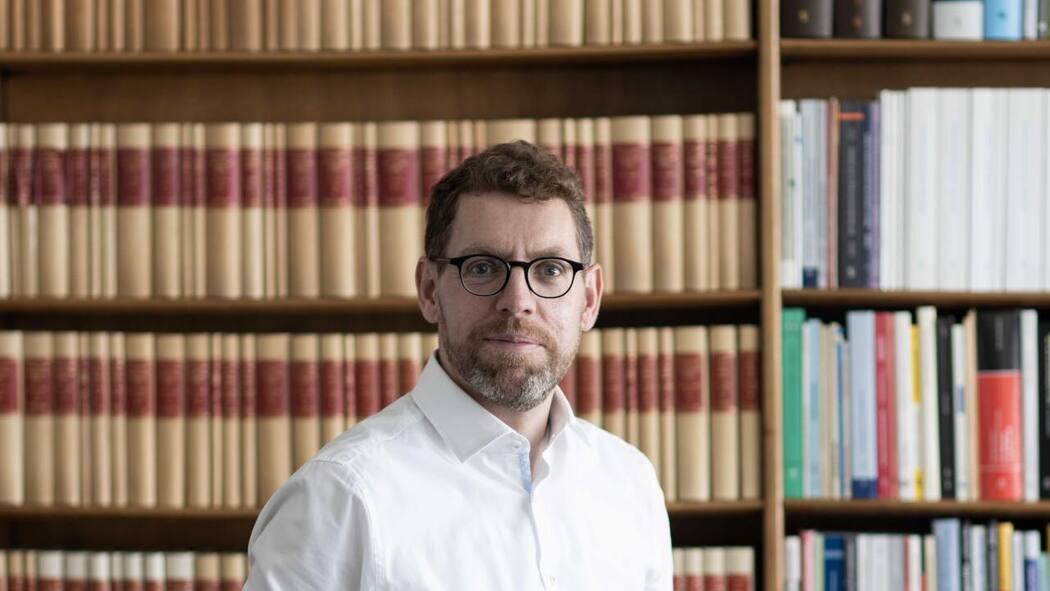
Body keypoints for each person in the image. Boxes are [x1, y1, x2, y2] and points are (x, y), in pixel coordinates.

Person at [244, 140, 672, 590]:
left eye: (549, 270)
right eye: (483, 268)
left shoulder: (629, 482)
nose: (517, 301)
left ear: (589, 298)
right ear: (429, 290)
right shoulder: (340, 497)